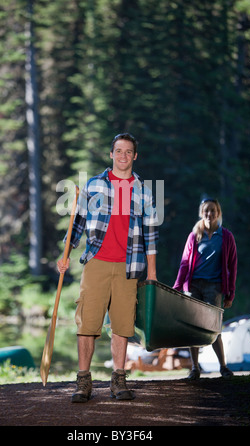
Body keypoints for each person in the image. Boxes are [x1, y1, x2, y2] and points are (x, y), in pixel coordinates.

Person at [57, 133, 159, 402]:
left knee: (123, 326)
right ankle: (83, 382)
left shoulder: (144, 192)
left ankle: (118, 380)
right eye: (118, 151)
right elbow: (77, 222)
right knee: (88, 324)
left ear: (135, 156)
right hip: (96, 263)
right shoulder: (94, 186)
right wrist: (66, 254)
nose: (123, 156)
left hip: (129, 266)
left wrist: (151, 273)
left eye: (128, 152)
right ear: (111, 154)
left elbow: (150, 235)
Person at [173, 197, 237, 380]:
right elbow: (184, 263)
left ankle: (223, 367)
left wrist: (230, 293)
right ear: (202, 213)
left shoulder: (226, 237)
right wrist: (177, 286)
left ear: (218, 213)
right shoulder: (194, 235)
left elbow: (232, 266)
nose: (209, 214)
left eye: (213, 210)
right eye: (206, 211)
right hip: (193, 286)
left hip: (215, 287)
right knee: (192, 327)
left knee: (213, 327)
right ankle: (195, 368)